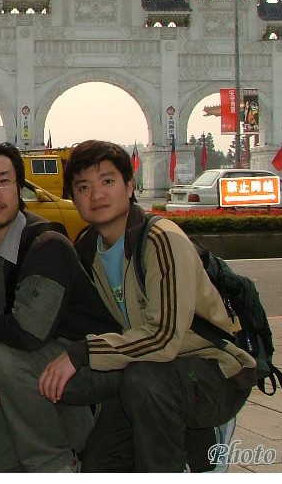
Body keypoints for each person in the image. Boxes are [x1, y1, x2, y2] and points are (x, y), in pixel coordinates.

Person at [37, 139, 257, 472]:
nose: (96, 194)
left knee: (143, 381)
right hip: (143, 369)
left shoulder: (160, 239)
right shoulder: (87, 249)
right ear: (73, 197)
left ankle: (198, 439)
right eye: (83, 187)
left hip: (209, 371)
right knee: (98, 460)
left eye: (107, 181)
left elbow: (164, 338)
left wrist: (82, 353)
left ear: (129, 186)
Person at [0, 142, 120, 472]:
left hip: (91, 362)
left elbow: (27, 333)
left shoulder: (47, 246)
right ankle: (81, 438)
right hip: (38, 366)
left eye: (4, 181)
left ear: (19, 189)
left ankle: (58, 465)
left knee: (5, 358)